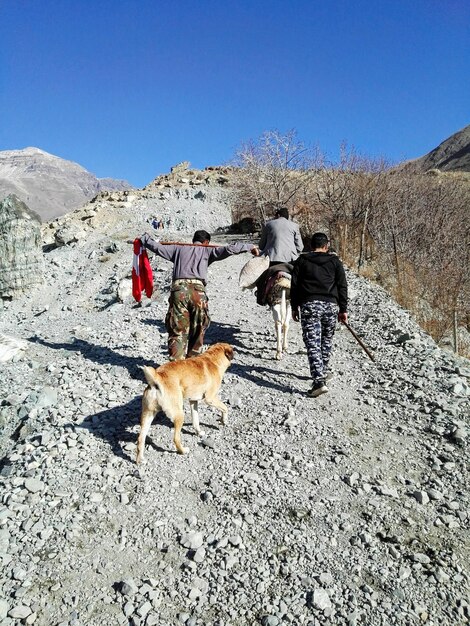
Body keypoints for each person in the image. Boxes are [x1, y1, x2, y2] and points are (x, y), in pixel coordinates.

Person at [139, 230, 259, 360]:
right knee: (198, 330)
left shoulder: (177, 249)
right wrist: (249, 247)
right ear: (207, 242)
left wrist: (144, 238)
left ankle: (175, 366)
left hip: (179, 291)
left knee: (177, 330)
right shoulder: (208, 250)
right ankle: (192, 364)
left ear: (193, 240)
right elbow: (230, 249)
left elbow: (157, 247)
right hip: (198, 292)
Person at [290, 232, 348, 398]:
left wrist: (294, 307)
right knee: (325, 341)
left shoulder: (302, 261)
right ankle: (321, 372)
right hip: (331, 305)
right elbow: (342, 286)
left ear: (310, 246)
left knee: (313, 342)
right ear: (326, 246)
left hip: (309, 305)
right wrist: (343, 309)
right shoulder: (335, 262)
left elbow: (295, 286)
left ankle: (318, 381)